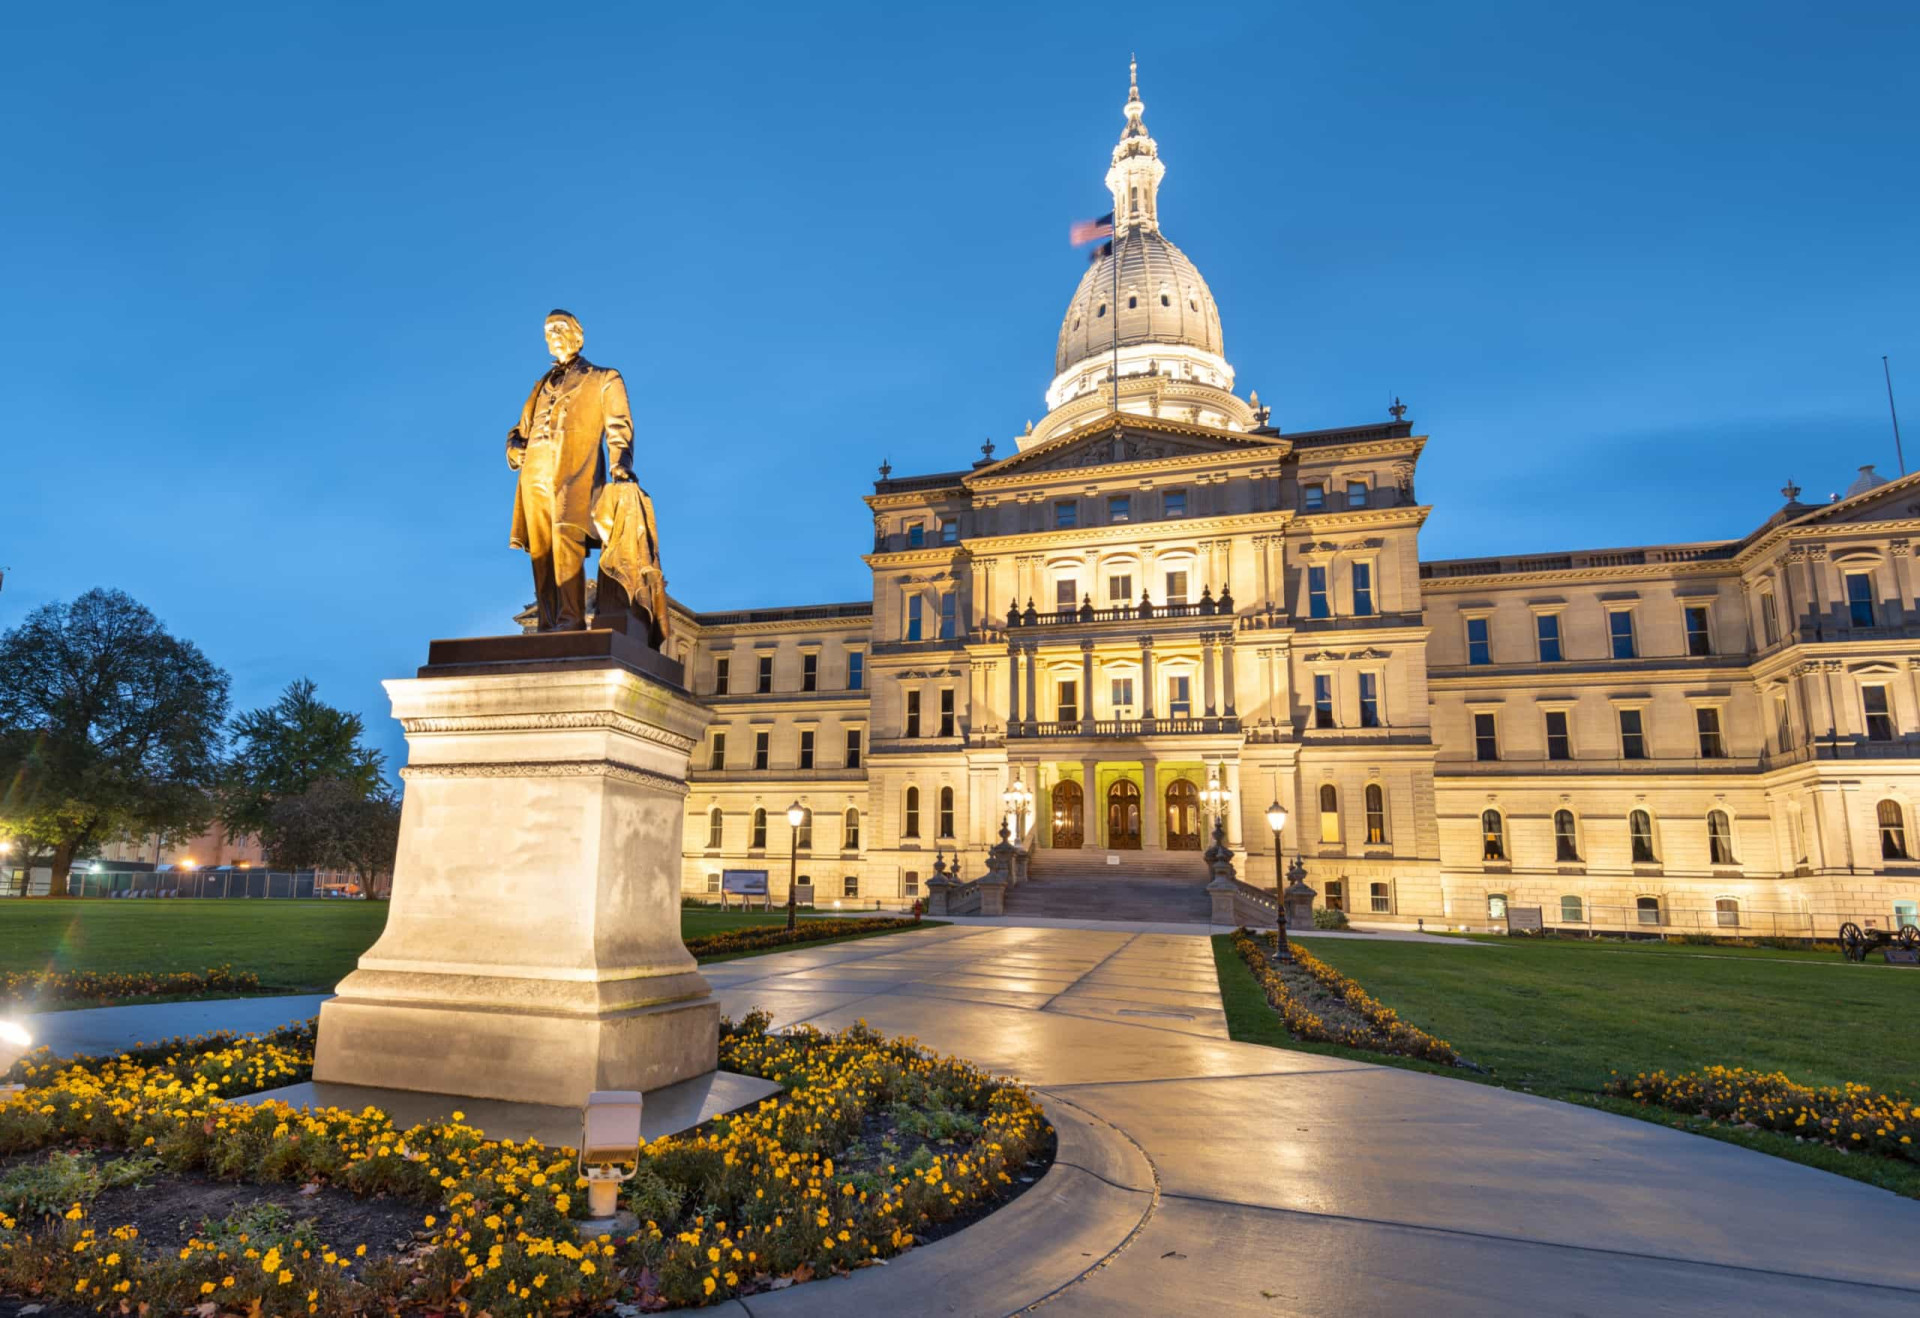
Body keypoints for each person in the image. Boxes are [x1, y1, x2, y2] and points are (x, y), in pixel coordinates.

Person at [505, 310, 633, 631]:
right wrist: (514, 446)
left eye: (561, 328)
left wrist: (621, 468)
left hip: (576, 472)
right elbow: (519, 429)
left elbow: (619, 427)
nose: (553, 334)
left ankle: (571, 621)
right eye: (548, 331)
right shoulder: (540, 386)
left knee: (566, 538)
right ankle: (547, 625)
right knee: (542, 551)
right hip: (534, 472)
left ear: (579, 335)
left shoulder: (604, 378)